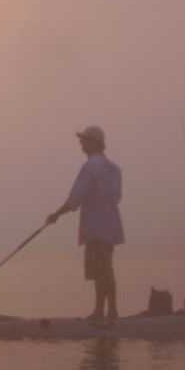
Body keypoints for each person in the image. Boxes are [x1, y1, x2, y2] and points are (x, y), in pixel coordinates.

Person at [46, 126, 124, 321]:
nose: (81, 143)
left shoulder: (91, 167)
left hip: (96, 225)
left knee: (100, 270)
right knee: (106, 267)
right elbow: (116, 196)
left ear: (95, 143)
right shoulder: (113, 168)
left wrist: (56, 214)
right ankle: (111, 310)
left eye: (84, 140)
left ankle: (101, 312)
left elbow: (76, 198)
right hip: (111, 224)